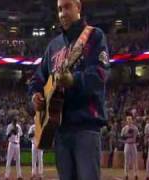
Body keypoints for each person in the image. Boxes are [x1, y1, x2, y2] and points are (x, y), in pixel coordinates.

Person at [29, 0, 109, 179]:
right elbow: (37, 79)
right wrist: (34, 96)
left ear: (78, 7)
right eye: (59, 9)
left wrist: (74, 80)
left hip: (86, 126)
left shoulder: (94, 36)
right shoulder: (53, 46)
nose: (62, 13)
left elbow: (100, 75)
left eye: (66, 7)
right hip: (60, 129)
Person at [121, 115, 139, 180]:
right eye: (128, 119)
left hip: (133, 144)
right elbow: (122, 138)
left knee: (135, 160)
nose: (129, 120)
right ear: (126, 121)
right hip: (127, 144)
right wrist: (127, 135)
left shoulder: (135, 128)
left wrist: (136, 142)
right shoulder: (124, 128)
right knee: (126, 160)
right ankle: (126, 174)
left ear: (132, 120)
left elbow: (138, 137)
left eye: (130, 119)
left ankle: (135, 174)